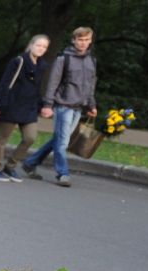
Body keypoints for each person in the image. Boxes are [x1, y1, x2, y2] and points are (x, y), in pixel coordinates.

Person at [21, 25, 98, 187]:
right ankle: (62, 174)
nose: (83, 43)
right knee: (63, 143)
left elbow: (90, 85)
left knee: (59, 140)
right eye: (80, 40)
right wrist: (48, 104)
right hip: (63, 106)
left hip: (79, 107)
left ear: (90, 41)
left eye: (86, 40)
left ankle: (30, 163)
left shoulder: (92, 60)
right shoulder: (64, 59)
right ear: (74, 40)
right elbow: (52, 83)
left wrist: (91, 105)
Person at [0, 34, 49, 181]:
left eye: (45, 47)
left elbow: (37, 88)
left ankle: (10, 166)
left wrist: (41, 106)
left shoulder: (41, 65)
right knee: (3, 138)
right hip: (11, 105)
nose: (41, 49)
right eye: (39, 45)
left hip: (29, 108)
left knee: (30, 138)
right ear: (31, 45)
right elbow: (5, 83)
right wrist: (0, 105)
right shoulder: (18, 61)